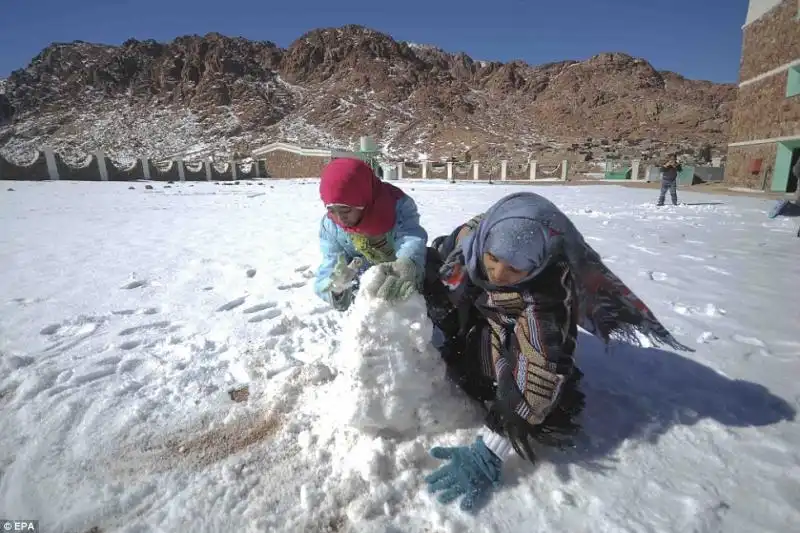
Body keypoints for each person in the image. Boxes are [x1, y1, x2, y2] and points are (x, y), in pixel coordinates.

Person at [421, 192, 691, 512]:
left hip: (513, 332)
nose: (498, 275)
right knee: (425, 270)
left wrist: (491, 449)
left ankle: (558, 392)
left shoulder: (546, 299)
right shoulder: (475, 238)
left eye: (514, 269)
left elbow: (538, 370)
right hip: (485, 313)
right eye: (492, 260)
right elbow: (447, 251)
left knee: (523, 401)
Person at [313, 157, 428, 311]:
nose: (340, 218)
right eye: (332, 211)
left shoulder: (397, 206)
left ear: (363, 200)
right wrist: (336, 287)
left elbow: (411, 237)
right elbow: (329, 267)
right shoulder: (331, 226)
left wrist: (407, 263)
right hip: (365, 283)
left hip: (400, 276)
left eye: (346, 210)